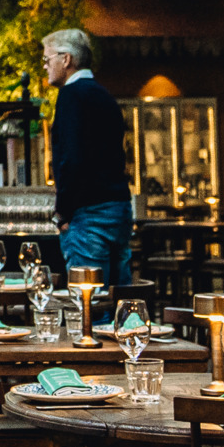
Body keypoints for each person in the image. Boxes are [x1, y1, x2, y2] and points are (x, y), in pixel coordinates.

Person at [45, 28, 132, 282]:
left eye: (47, 60)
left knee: (90, 303)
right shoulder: (104, 95)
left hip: (89, 212)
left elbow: (71, 159)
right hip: (119, 208)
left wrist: (63, 212)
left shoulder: (71, 96)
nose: (45, 67)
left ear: (66, 59)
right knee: (121, 302)